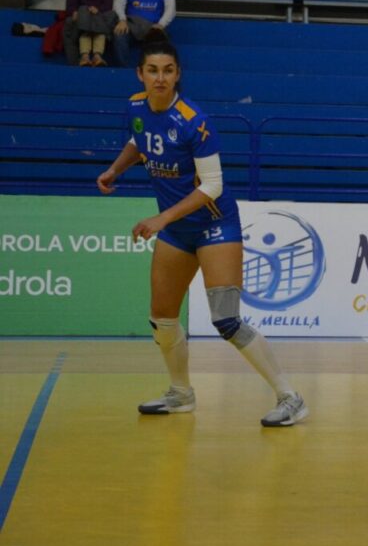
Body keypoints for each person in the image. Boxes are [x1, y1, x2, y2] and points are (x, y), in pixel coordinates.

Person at [96, 41, 308, 427]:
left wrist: (161, 220)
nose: (160, 77)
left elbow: (211, 185)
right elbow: (138, 141)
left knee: (226, 320)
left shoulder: (194, 121)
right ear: (140, 74)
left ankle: (290, 397)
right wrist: (115, 169)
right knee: (161, 318)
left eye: (168, 70)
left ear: (178, 74)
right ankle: (180, 394)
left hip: (215, 225)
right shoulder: (135, 107)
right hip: (177, 230)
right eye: (153, 70)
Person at [63, 0, 116, 67]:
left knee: (106, 17)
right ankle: (89, 56)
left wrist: (97, 10)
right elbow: (70, 6)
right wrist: (77, 12)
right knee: (84, 16)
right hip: (82, 20)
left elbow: (108, 6)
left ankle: (92, 56)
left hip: (99, 18)